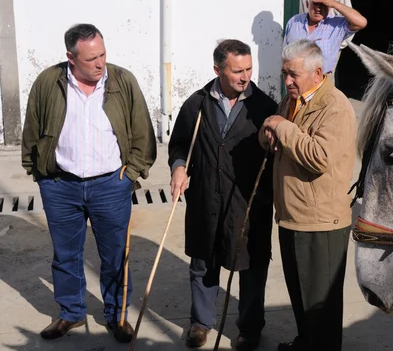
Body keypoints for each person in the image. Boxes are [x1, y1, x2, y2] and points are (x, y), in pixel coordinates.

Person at [21, 23, 157, 343]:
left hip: (110, 184)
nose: (100, 64)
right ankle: (71, 312)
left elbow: (143, 134)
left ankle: (117, 314)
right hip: (60, 185)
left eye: (103, 54)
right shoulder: (48, 82)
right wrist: (39, 174)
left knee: (114, 255)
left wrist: (131, 175)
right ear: (71, 57)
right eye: (91, 58)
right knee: (66, 254)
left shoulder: (122, 81)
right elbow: (32, 130)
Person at [168, 39, 276, 351]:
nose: (245, 77)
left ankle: (250, 327)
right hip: (205, 199)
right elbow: (180, 144)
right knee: (203, 261)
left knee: (252, 266)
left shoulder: (265, 107)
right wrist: (178, 166)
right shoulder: (198, 103)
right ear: (217, 70)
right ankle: (201, 322)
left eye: (249, 69)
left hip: (248, 202)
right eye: (237, 71)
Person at [259, 39, 356, 351]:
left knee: (321, 307)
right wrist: (268, 134)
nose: (287, 81)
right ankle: (306, 342)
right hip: (292, 215)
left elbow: (318, 156)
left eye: (293, 75)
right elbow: (277, 136)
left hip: (321, 222)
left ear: (318, 73)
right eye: (284, 73)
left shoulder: (336, 106)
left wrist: (280, 127)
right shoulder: (293, 100)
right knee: (301, 297)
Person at [284, 0, 367, 76]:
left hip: (322, 81)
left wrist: (334, 3)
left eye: (323, 5)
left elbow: (361, 23)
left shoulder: (336, 25)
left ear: (330, 7)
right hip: (295, 79)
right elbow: (285, 52)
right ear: (307, 4)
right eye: (315, 4)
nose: (318, 9)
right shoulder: (294, 21)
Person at [298, 0, 355, 79]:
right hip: (309, 42)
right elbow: (302, 13)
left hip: (330, 42)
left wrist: (339, 44)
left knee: (325, 79)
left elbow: (350, 17)